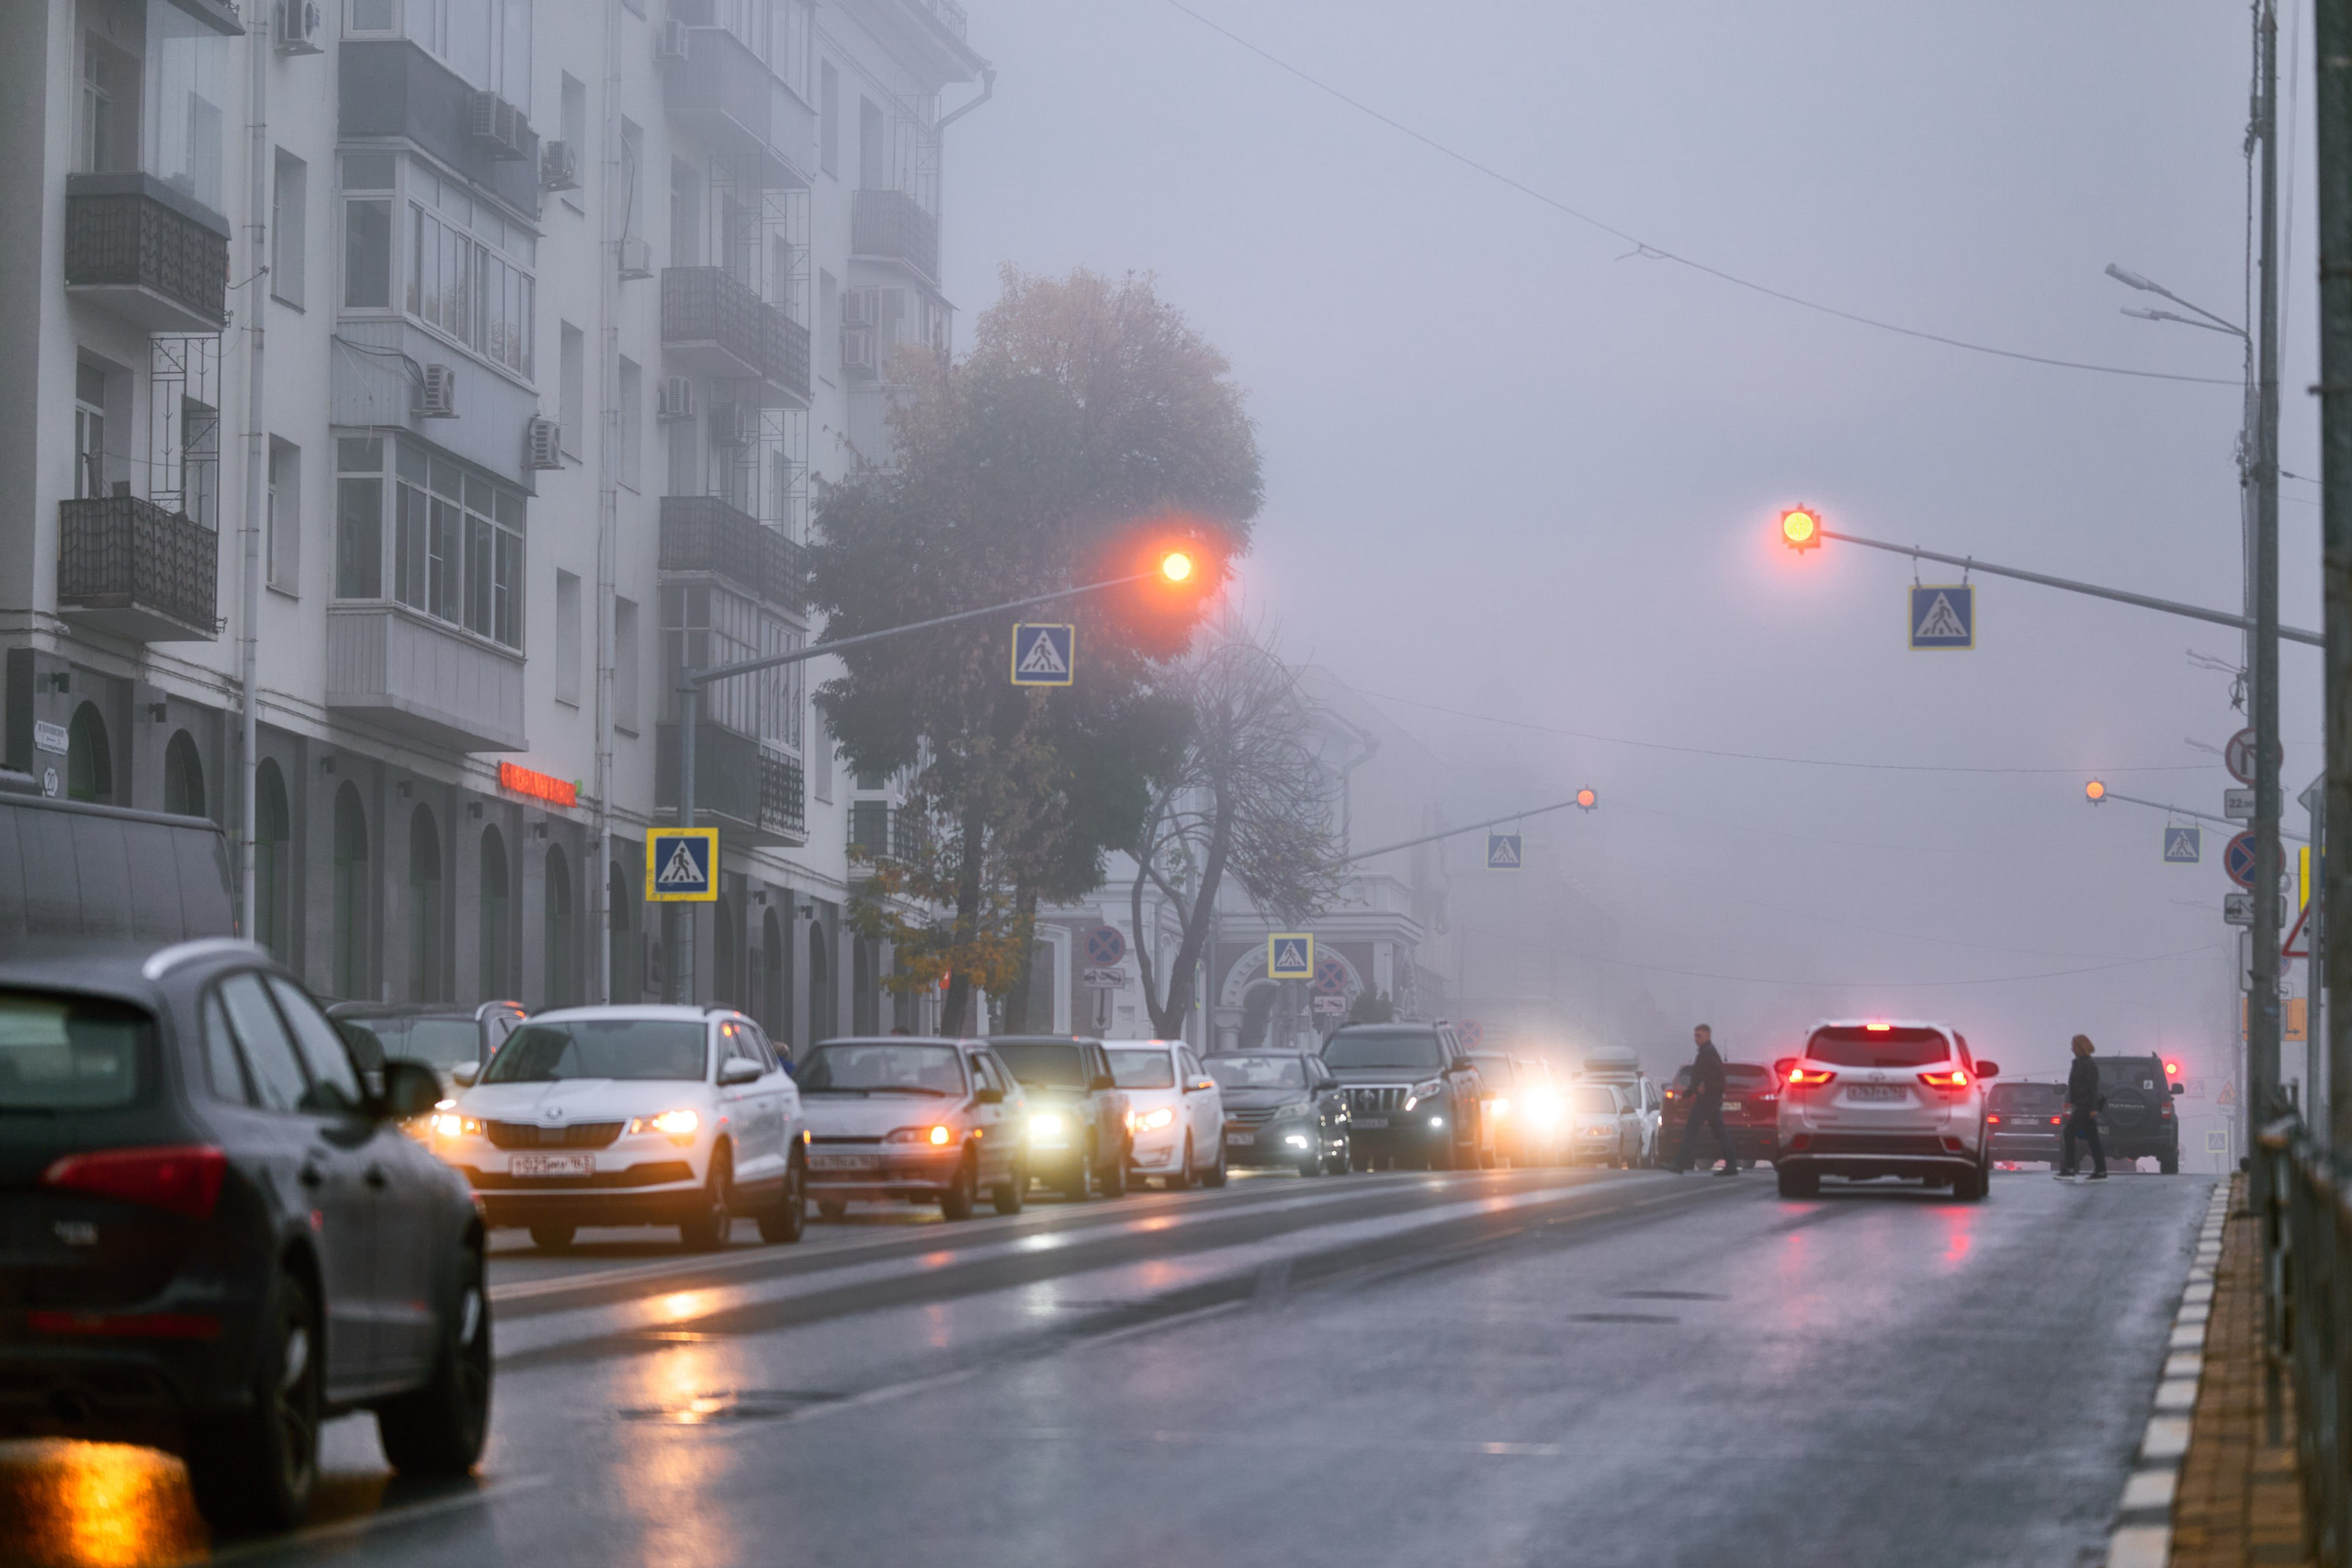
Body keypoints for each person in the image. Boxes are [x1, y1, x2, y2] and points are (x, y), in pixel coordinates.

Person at [1673, 1024, 1738, 1177]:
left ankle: (1680, 1163)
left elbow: (1714, 1077)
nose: (1696, 1039)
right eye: (1695, 1036)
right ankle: (1732, 1165)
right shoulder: (1706, 1053)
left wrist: (1691, 1093)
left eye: (1699, 1035)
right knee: (1719, 1131)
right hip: (1709, 1098)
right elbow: (1702, 1077)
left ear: (1708, 1035)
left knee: (1692, 1129)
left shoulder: (1708, 1054)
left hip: (1708, 1099)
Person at [2060, 1033, 2109, 1180]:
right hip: (2081, 1105)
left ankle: (2069, 1169)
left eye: (2074, 1045)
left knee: (2069, 1133)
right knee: (2092, 1139)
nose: (2071, 1048)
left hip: (2085, 1106)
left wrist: (2093, 1108)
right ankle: (2100, 1171)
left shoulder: (2088, 1064)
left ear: (2080, 1047)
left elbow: (2093, 1087)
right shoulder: (2079, 1063)